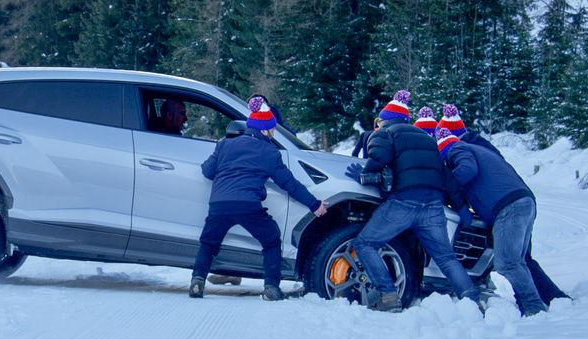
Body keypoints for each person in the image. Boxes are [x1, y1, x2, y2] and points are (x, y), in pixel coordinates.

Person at [344, 90, 482, 313]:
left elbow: (378, 157)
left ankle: (388, 295)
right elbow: (446, 177)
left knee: (365, 244)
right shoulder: (428, 139)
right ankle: (472, 301)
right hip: (433, 205)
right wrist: (460, 208)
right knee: (445, 257)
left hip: (403, 202)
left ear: (385, 119)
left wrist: (364, 174)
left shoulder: (385, 132)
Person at [189, 96, 329, 300]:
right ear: (264, 130)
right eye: (272, 129)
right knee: (271, 240)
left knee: (209, 243)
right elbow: (289, 184)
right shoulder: (269, 151)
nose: (273, 133)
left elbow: (207, 171)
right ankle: (271, 287)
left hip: (219, 205)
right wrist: (314, 204)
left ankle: (197, 281)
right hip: (247, 205)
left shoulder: (225, 145)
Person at [438, 104, 570, 309]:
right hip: (522, 201)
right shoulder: (481, 148)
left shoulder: (458, 148)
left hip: (508, 206)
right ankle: (552, 300)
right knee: (521, 260)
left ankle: (533, 307)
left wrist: (447, 183)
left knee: (507, 263)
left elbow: (467, 171)